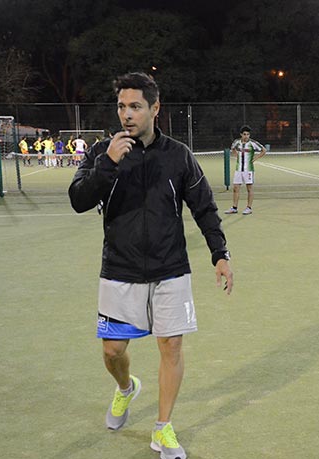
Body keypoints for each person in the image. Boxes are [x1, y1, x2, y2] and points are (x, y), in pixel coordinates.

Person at [69, 72, 233, 459]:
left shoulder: (178, 155)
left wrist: (220, 254)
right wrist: (108, 163)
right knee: (112, 351)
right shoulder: (99, 153)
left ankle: (163, 429)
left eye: (136, 107)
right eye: (122, 106)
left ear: (154, 109)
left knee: (171, 346)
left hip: (170, 268)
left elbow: (204, 207)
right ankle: (127, 388)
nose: (127, 115)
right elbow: (78, 199)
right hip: (120, 270)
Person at [224, 125, 266, 215]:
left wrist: (255, 158)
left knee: (249, 188)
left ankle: (249, 207)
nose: (246, 136)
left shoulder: (252, 143)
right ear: (241, 135)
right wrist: (236, 156)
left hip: (248, 169)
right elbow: (233, 149)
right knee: (235, 188)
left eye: (248, 134)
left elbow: (263, 150)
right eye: (244, 134)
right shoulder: (237, 142)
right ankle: (234, 207)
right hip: (238, 169)